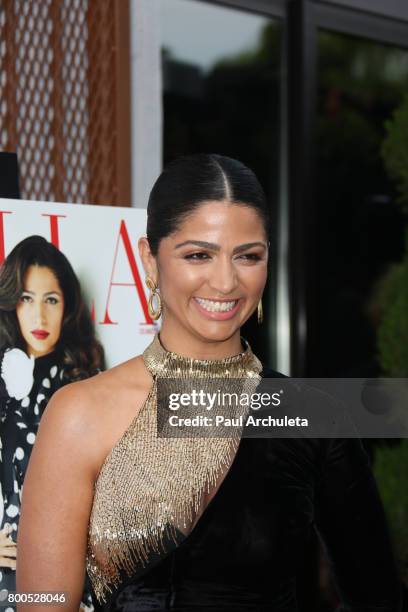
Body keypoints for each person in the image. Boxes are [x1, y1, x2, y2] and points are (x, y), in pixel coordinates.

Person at [16, 155, 402, 611]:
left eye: (248, 256)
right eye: (198, 254)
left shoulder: (312, 418)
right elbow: (40, 602)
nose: (225, 281)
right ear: (149, 259)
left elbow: (380, 599)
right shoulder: (79, 413)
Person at [0, 235, 105, 610]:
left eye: (51, 300)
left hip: (78, 571)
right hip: (9, 574)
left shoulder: (87, 381)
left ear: (68, 308)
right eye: (26, 299)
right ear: (11, 303)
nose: (39, 316)